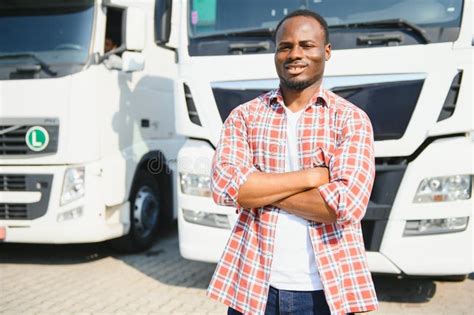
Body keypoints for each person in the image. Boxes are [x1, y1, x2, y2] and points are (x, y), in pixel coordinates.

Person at [207, 9, 378, 315]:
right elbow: (226, 189)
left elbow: (345, 205)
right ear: (275, 53)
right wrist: (312, 177)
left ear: (326, 52)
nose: (295, 54)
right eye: (285, 46)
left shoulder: (351, 120)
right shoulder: (245, 116)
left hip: (326, 292)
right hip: (253, 288)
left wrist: (259, 189)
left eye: (307, 45)